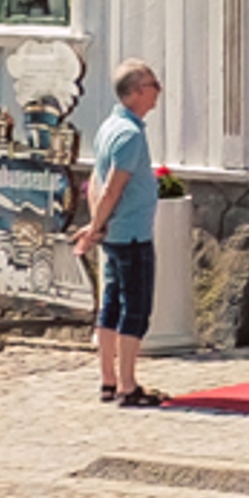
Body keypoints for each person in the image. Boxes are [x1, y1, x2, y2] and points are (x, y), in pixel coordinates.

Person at [70, 60, 168, 407]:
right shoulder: (129, 133)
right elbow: (113, 185)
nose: (159, 90)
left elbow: (95, 180)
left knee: (111, 305)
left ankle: (108, 381)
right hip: (131, 235)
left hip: (115, 231)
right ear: (138, 91)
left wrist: (97, 224)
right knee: (135, 309)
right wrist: (95, 227)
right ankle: (127, 384)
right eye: (153, 83)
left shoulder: (110, 126)